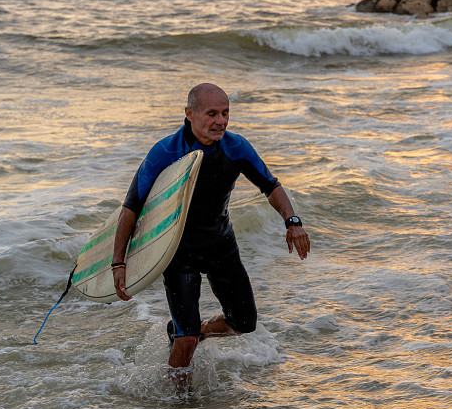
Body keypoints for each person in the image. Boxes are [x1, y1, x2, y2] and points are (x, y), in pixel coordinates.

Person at [111, 83, 310, 390]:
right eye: (212, 113)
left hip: (220, 244)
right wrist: (118, 263)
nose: (221, 121)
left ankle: (197, 332)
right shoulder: (165, 152)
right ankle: (180, 405)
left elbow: (271, 186)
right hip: (177, 251)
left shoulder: (236, 147)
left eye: (226, 113)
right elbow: (131, 208)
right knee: (186, 340)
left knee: (243, 323)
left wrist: (292, 221)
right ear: (189, 114)